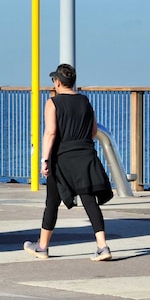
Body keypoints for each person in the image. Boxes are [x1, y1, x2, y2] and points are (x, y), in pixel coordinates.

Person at [24, 64, 114, 261]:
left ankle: (42, 246)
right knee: (90, 201)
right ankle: (103, 246)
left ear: (57, 81)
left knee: (52, 203)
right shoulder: (85, 102)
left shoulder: (53, 103)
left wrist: (44, 160)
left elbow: (51, 133)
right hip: (85, 156)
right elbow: (92, 131)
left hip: (62, 159)